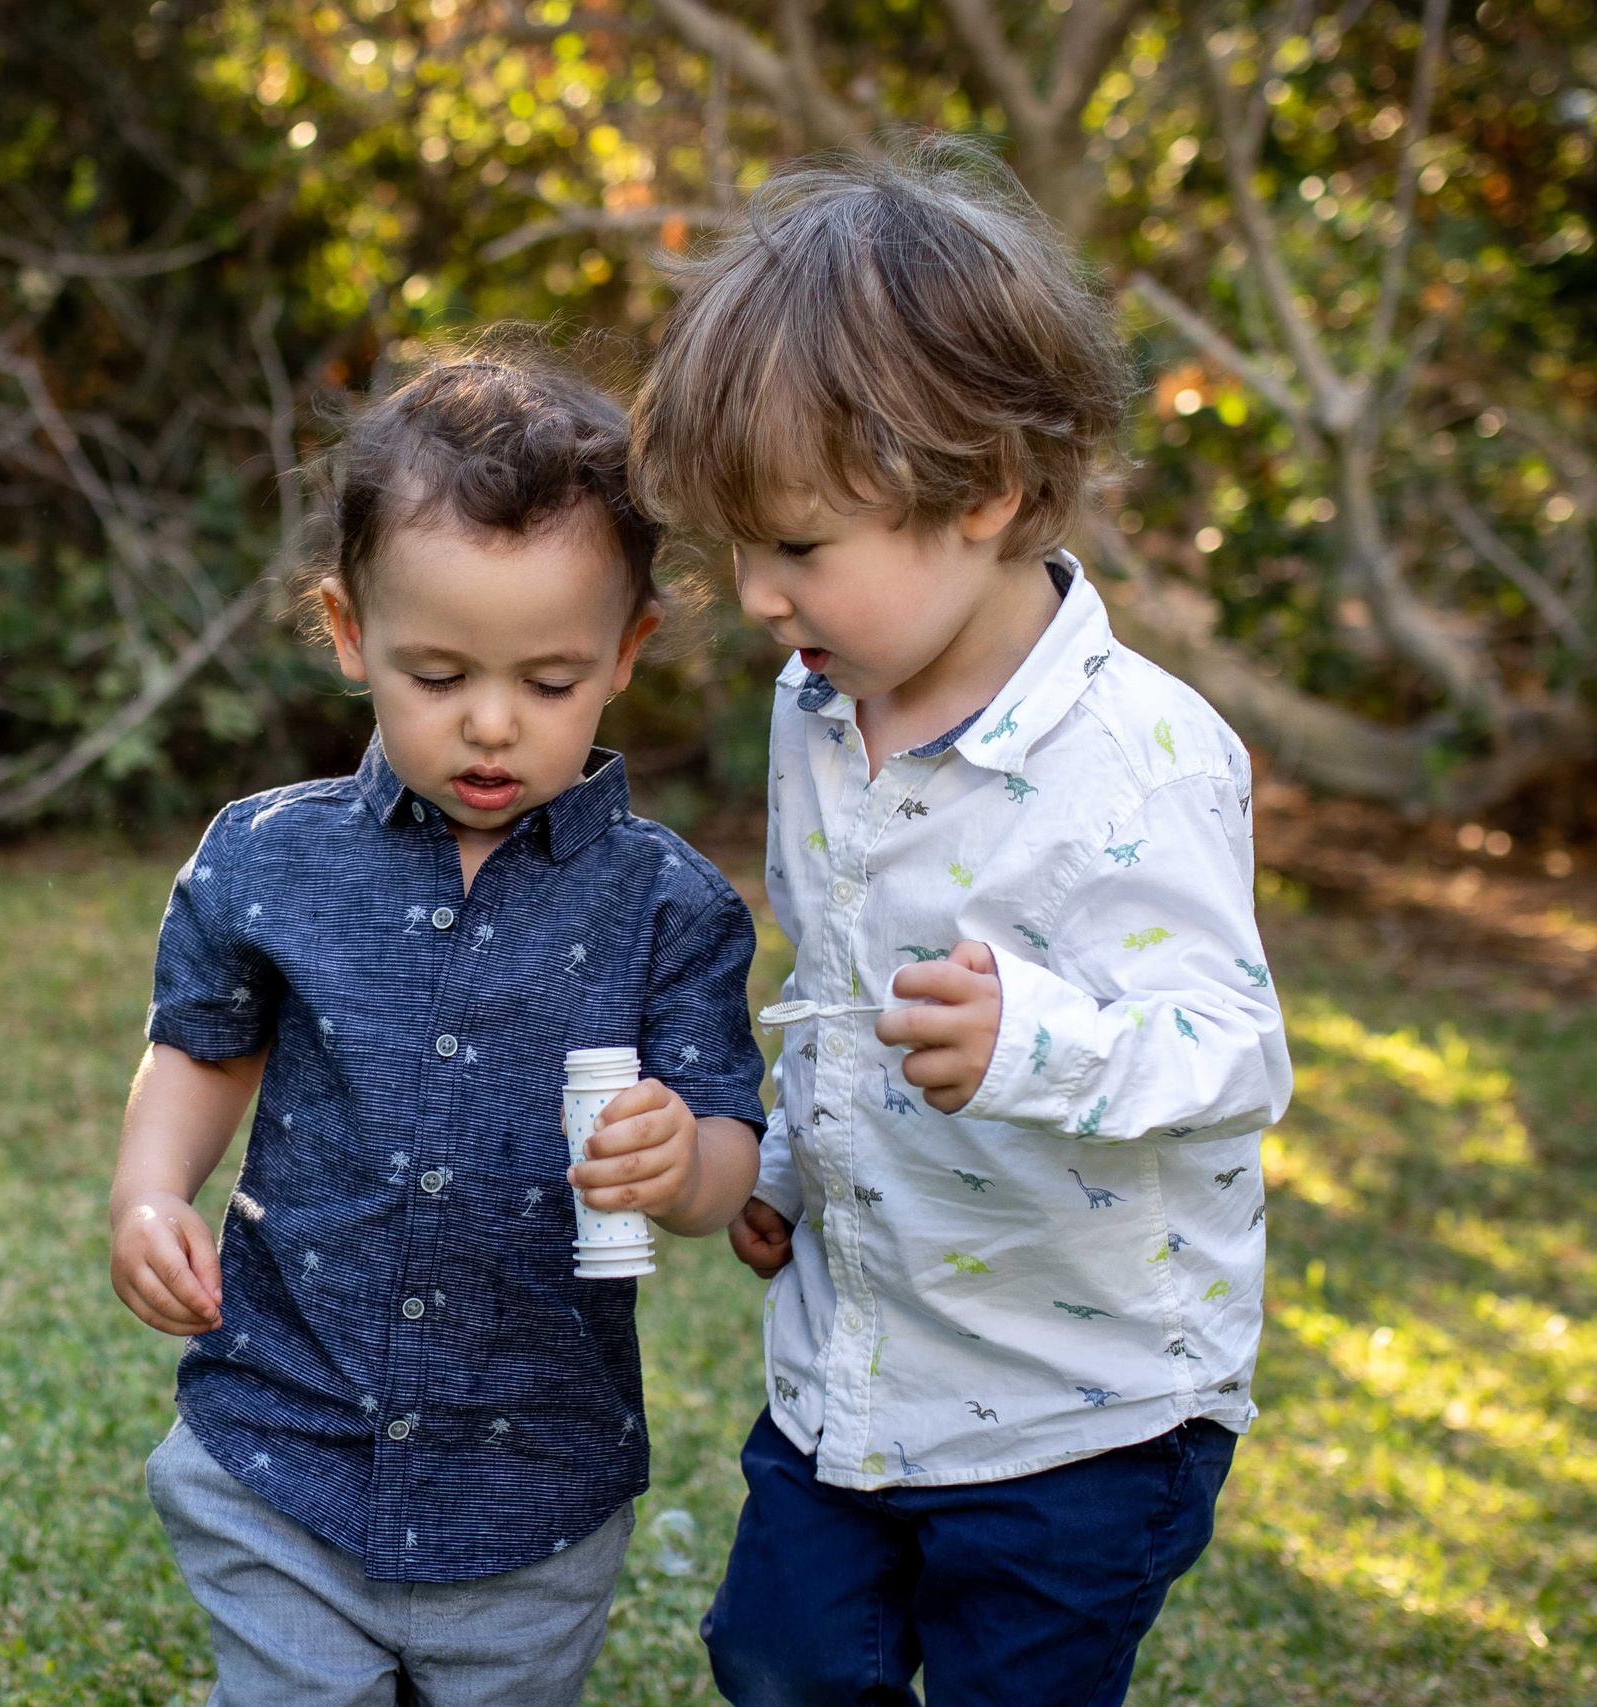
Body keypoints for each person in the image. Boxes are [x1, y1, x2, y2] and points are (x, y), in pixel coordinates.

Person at [629, 140, 1295, 1707]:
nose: (761, 595)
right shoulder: (821, 711)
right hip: (859, 1365)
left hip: (1083, 1411)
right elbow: (838, 981)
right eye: (742, 546)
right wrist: (792, 1157)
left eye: (799, 547)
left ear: (984, 494)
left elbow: (1234, 1053)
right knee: (780, 1664)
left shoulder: (1139, 754)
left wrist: (1031, 1040)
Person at [109, 354, 771, 1706]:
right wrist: (148, 1189)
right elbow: (204, 1042)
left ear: (627, 652)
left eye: (546, 679)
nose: (488, 721)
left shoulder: (668, 908)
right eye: (436, 671)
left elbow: (727, 1156)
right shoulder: (269, 861)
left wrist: (680, 1164)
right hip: (287, 1443)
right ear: (350, 632)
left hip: (534, 1483)